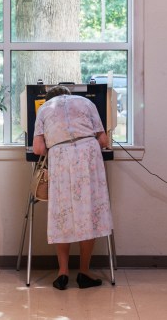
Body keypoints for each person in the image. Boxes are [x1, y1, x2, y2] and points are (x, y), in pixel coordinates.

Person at [32, 85, 114, 290]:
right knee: (89, 212)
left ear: (49, 98)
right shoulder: (87, 102)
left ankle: (62, 274)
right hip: (88, 157)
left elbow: (38, 149)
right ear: (69, 95)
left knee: (63, 213)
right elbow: (103, 140)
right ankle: (84, 273)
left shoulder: (43, 108)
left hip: (60, 159)